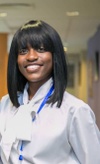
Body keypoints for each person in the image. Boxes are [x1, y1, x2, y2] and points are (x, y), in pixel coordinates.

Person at [0, 20, 100, 164]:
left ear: (55, 56)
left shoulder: (75, 111)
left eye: (40, 49)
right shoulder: (5, 104)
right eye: (23, 51)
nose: (31, 56)